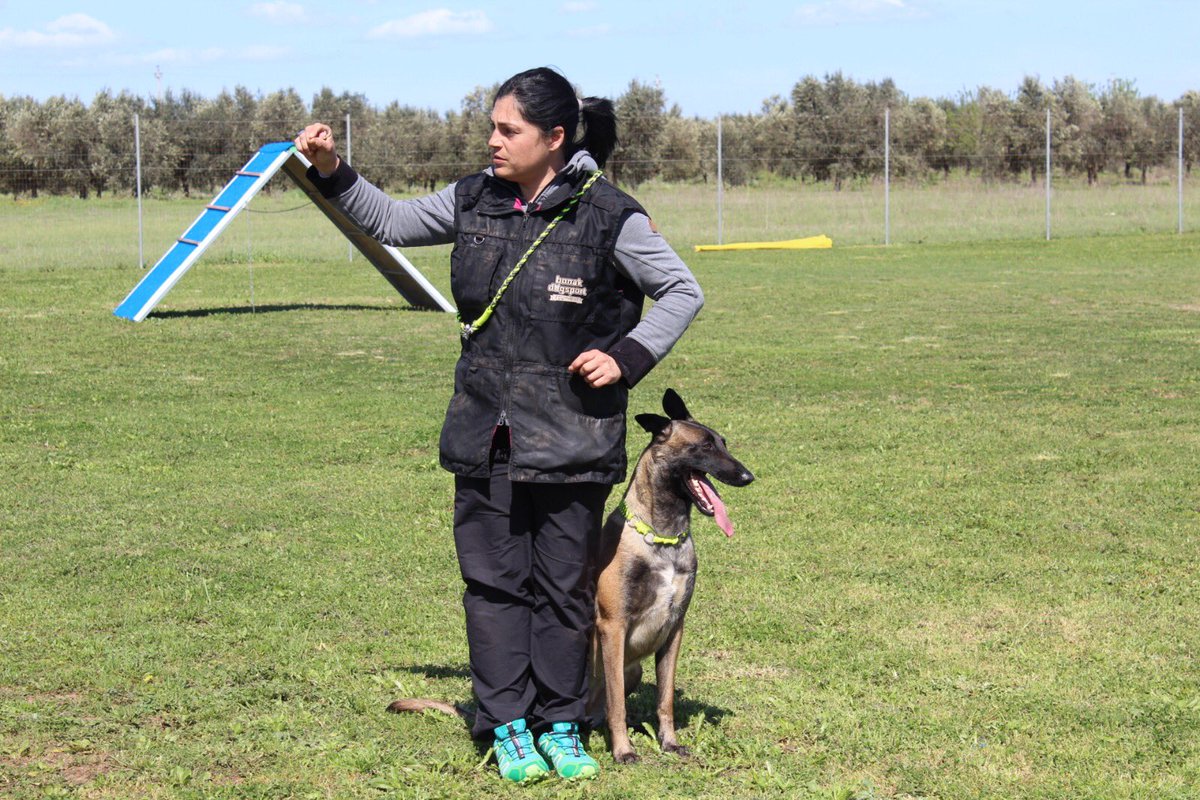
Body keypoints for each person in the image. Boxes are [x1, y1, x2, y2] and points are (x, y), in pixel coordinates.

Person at [295, 66, 704, 785]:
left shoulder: (610, 215)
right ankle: (507, 724)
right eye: (491, 126)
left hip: (575, 440)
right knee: (492, 585)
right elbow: (389, 221)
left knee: (563, 589)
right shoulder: (473, 199)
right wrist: (331, 170)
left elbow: (680, 288)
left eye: (507, 129)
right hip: (485, 436)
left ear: (553, 138)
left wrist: (626, 359)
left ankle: (561, 723)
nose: (493, 141)